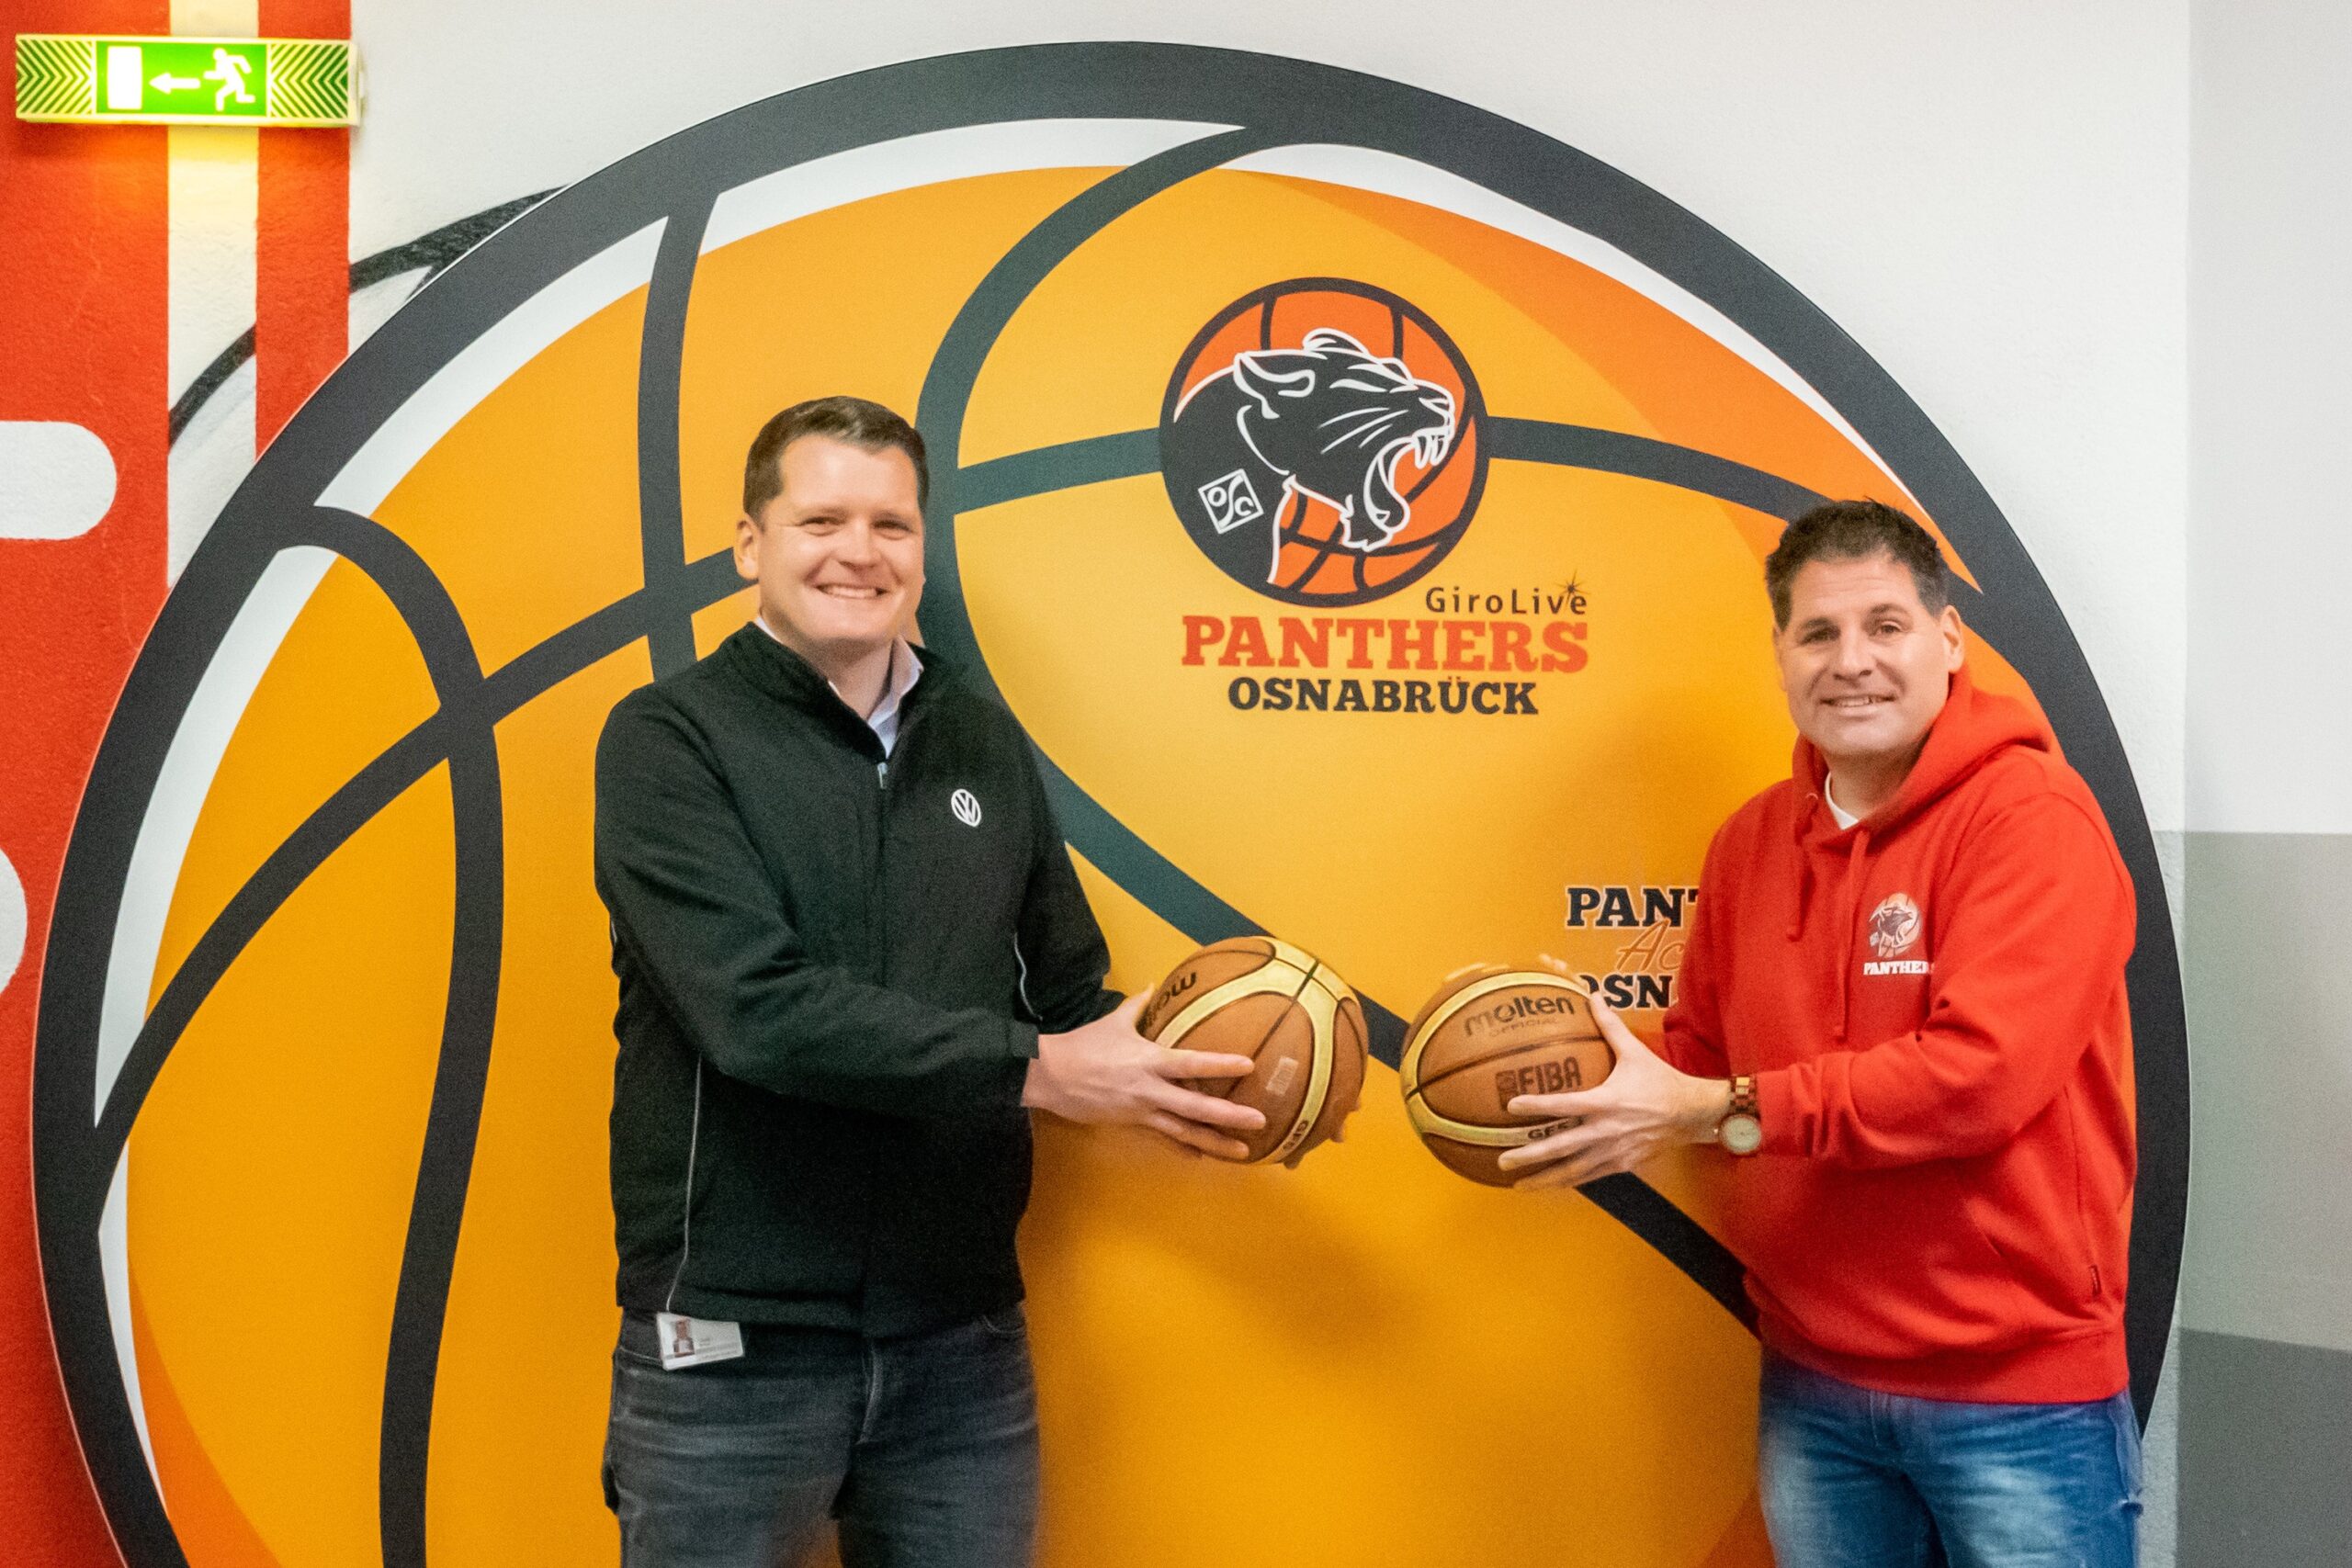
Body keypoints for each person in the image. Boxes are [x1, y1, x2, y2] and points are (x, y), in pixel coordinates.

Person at [593, 395, 1267, 1568]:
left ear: (919, 547)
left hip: (959, 1342)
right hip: (731, 1348)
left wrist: (1216, 1063)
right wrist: (1041, 1071)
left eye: (891, 525)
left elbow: (1067, 991)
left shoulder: (979, 739)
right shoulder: (667, 738)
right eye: (820, 521)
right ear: (750, 544)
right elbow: (754, 1014)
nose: (858, 552)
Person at [1501, 500, 2141, 1566]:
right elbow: (1705, 1065)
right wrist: (1579, 1065)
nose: (1851, 661)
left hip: (2016, 1396)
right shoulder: (1750, 842)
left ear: (1948, 639)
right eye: (1818, 633)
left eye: (1885, 626)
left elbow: (1977, 1082)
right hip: (1813, 1381)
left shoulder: (2031, 817)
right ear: (1782, 656)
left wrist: (1715, 1106)